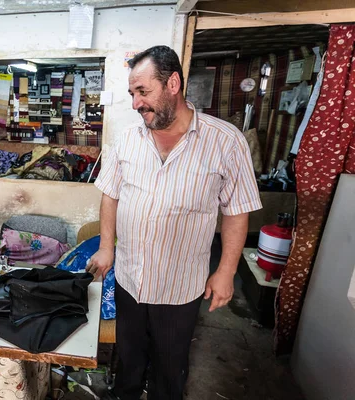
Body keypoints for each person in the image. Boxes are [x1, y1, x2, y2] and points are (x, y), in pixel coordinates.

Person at [87, 46, 262, 400]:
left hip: (180, 285)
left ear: (173, 84)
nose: (136, 103)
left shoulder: (225, 142)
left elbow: (236, 211)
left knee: (170, 363)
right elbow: (110, 194)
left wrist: (226, 271)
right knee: (129, 357)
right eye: (132, 94)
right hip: (130, 276)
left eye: (143, 92)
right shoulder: (126, 140)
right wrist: (107, 248)